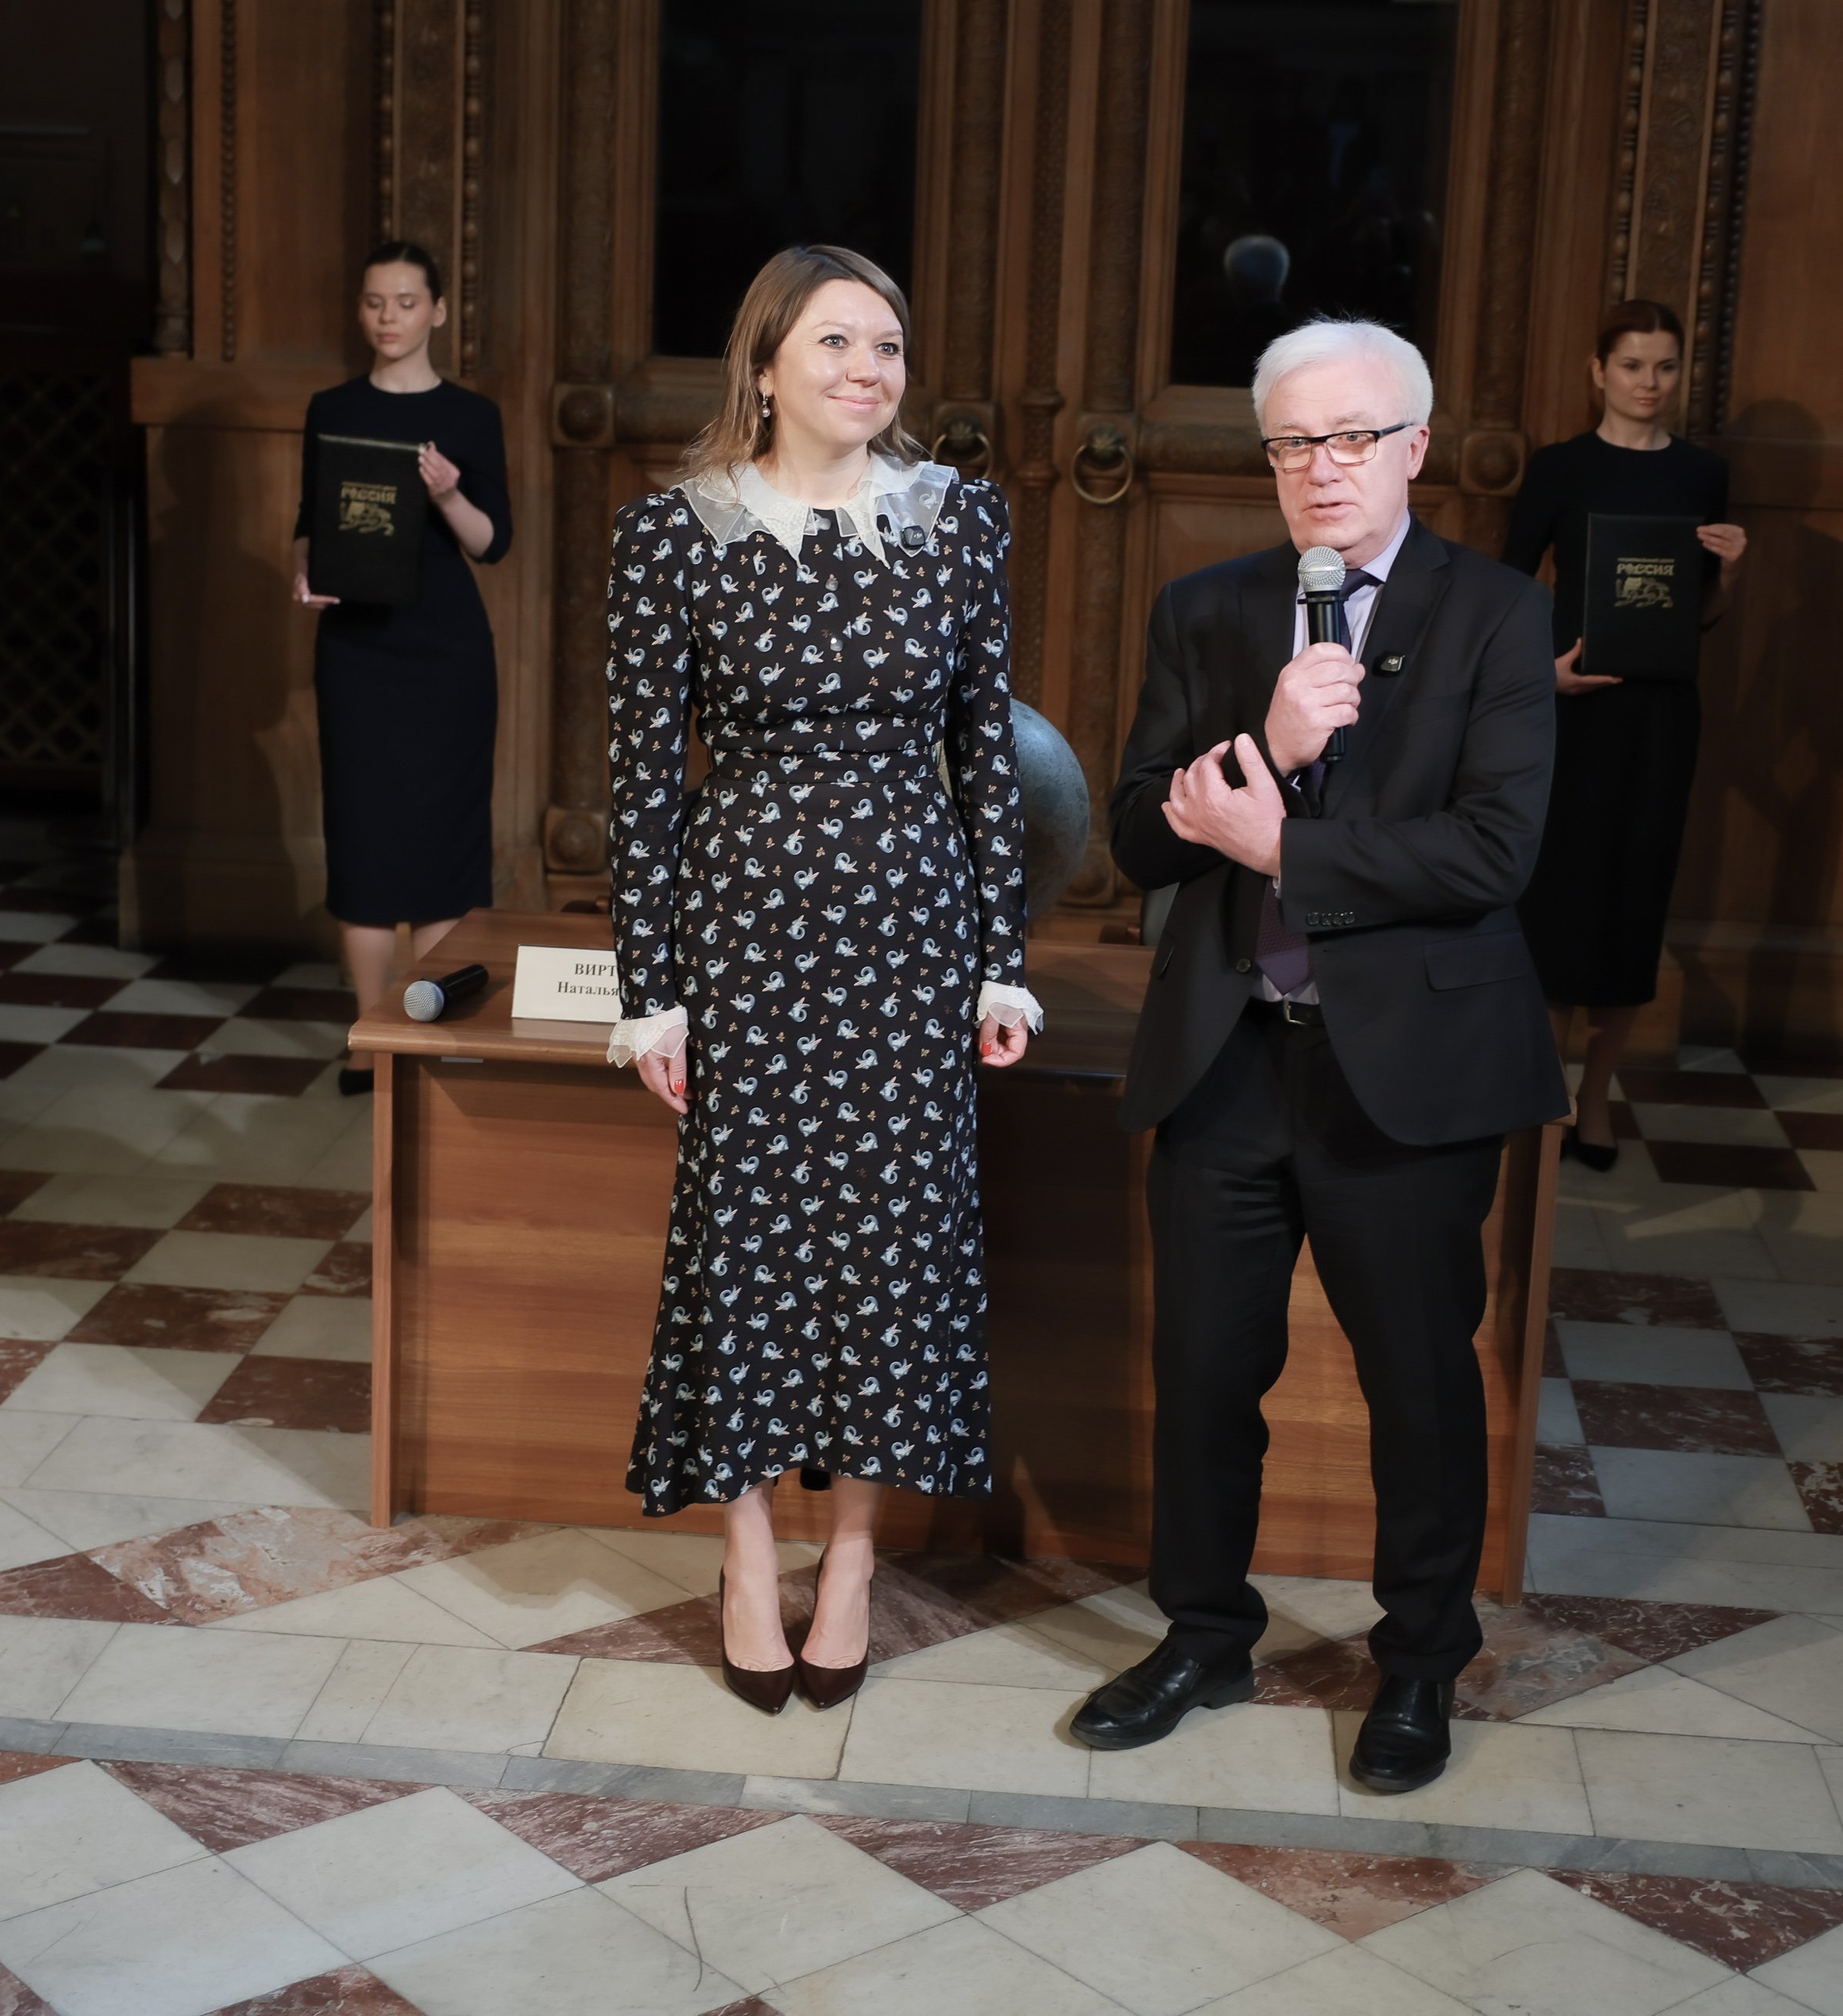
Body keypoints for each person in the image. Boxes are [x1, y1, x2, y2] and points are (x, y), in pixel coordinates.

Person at [1075, 318, 1566, 1795]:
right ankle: (1205, 1634)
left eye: (1353, 438)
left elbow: (1494, 852)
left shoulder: (1492, 615)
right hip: (1229, 1054)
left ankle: (1420, 1662)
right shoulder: (1212, 609)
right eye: (1293, 443)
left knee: (1419, 1385)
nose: (1321, 470)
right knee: (1208, 1370)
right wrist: (1271, 751)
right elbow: (1129, 829)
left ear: (1416, 445)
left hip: (1406, 1075)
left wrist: (1287, 841)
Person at [603, 244, 1038, 1716]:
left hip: (911, 936)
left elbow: (989, 757)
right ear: (767, 363)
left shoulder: (960, 520)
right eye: (839, 344)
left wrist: (1002, 966)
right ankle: (746, 1553)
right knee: (747, 1245)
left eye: (890, 347)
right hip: (748, 936)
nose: (870, 370)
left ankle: (849, 1559)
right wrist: (649, 992)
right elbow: (643, 787)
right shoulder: (675, 535)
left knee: (886, 1250)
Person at [1505, 300, 1748, 1168]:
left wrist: (1725, 574)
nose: (1650, 383)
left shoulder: (1701, 474)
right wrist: (1546, 673)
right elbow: (1504, 593)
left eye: (1667, 367)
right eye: (1634, 365)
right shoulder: (1560, 468)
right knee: (1560, 904)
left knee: (1632, 907)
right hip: (1570, 712)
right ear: (1597, 371)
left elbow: (1701, 618)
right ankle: (1541, 1100)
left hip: (1659, 719)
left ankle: (1596, 1103)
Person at [292, 241, 513, 1096]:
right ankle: (368, 1043)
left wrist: (451, 492)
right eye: (376, 302)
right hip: (356, 652)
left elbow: (495, 542)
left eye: (406, 302)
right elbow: (312, 520)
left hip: (446, 656)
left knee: (442, 842)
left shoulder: (469, 416)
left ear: (438, 311)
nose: (389, 317)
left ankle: (433, 1037)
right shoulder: (330, 406)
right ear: (362, 311)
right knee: (363, 838)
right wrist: (305, 571)